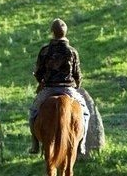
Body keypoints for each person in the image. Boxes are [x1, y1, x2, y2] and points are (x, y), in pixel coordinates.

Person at [28, 18, 88, 154]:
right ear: (65, 33)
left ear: (52, 33)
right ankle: (81, 144)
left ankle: (35, 144)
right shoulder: (72, 51)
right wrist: (77, 85)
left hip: (48, 89)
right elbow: (77, 74)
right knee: (85, 113)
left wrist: (41, 82)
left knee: (33, 113)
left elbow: (38, 72)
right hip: (68, 89)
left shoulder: (44, 51)